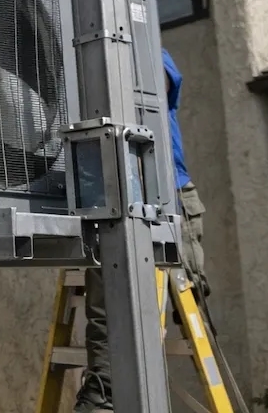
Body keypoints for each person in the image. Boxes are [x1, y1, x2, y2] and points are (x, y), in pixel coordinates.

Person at [74, 48, 209, 413]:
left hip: (169, 194)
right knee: (108, 298)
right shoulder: (75, 56)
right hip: (112, 195)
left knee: (186, 299)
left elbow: (156, 83)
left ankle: (117, 390)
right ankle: (105, 391)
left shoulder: (149, 49)